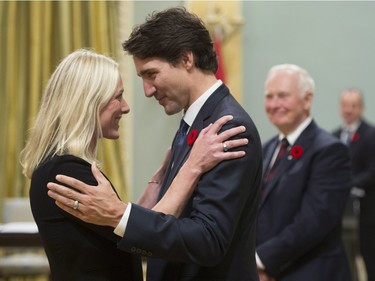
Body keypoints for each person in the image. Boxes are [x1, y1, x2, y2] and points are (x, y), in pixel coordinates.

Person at [47, 7, 263, 281]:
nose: (148, 91)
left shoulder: (226, 127)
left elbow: (209, 239)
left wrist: (120, 214)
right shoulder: (194, 122)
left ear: (186, 59)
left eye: (151, 74)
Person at [256, 64, 352, 281]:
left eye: (283, 96)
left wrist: (261, 260)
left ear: (307, 99)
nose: (274, 104)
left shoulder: (330, 151)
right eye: (269, 97)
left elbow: (314, 221)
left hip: (310, 271)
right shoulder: (267, 148)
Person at [332, 88, 375, 281]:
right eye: (345, 105)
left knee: (369, 259)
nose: (348, 110)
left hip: (366, 212)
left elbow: (372, 171)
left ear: (361, 108)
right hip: (339, 212)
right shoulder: (333, 136)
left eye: (353, 105)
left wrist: (348, 185)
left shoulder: (371, 134)